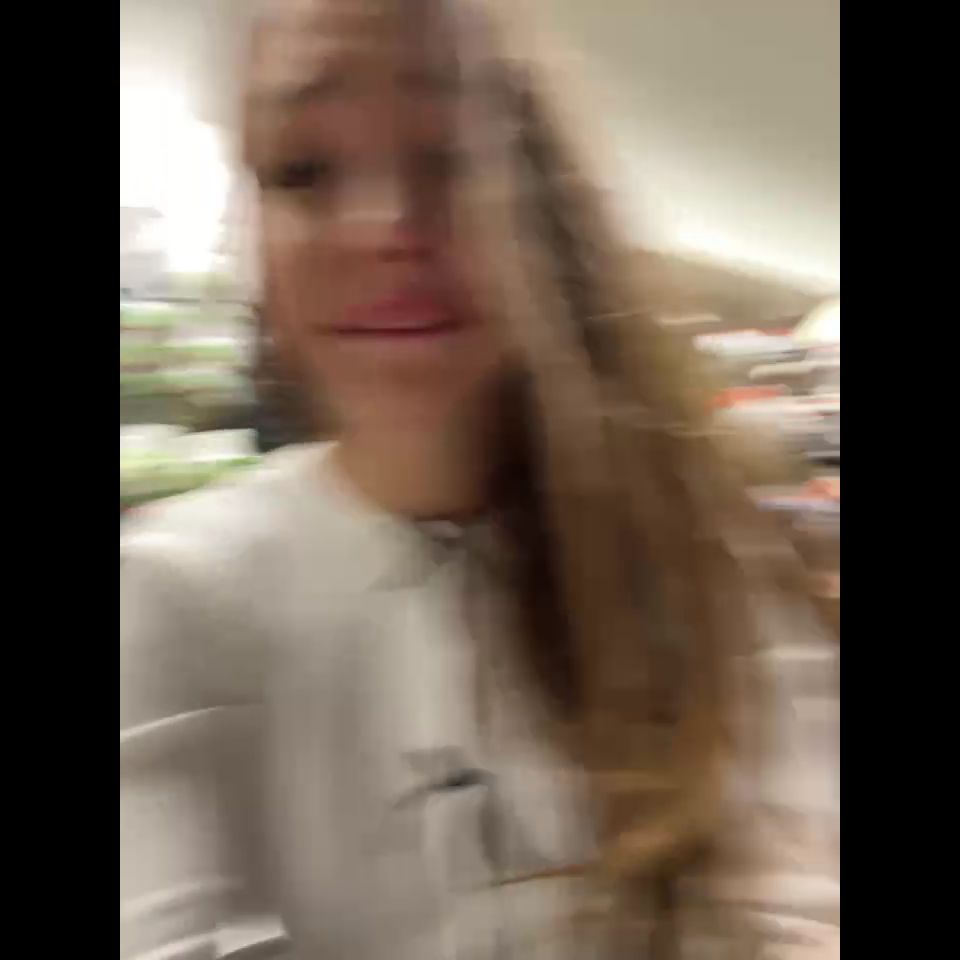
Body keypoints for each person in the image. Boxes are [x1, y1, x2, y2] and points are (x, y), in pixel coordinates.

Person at [120, 1, 839, 957]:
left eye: (449, 158)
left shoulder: (708, 570)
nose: (383, 227)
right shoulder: (175, 598)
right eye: (305, 171)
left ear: (545, 211)